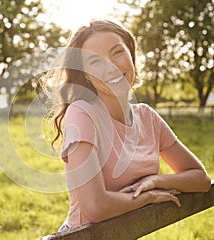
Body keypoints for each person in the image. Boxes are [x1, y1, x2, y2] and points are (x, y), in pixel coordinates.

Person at [46, 19, 211, 231]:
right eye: (95, 62)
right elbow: (95, 207)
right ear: (85, 75)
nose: (111, 66)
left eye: (117, 52)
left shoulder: (148, 117)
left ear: (131, 55)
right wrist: (146, 198)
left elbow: (200, 179)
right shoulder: (81, 114)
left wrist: (156, 180)